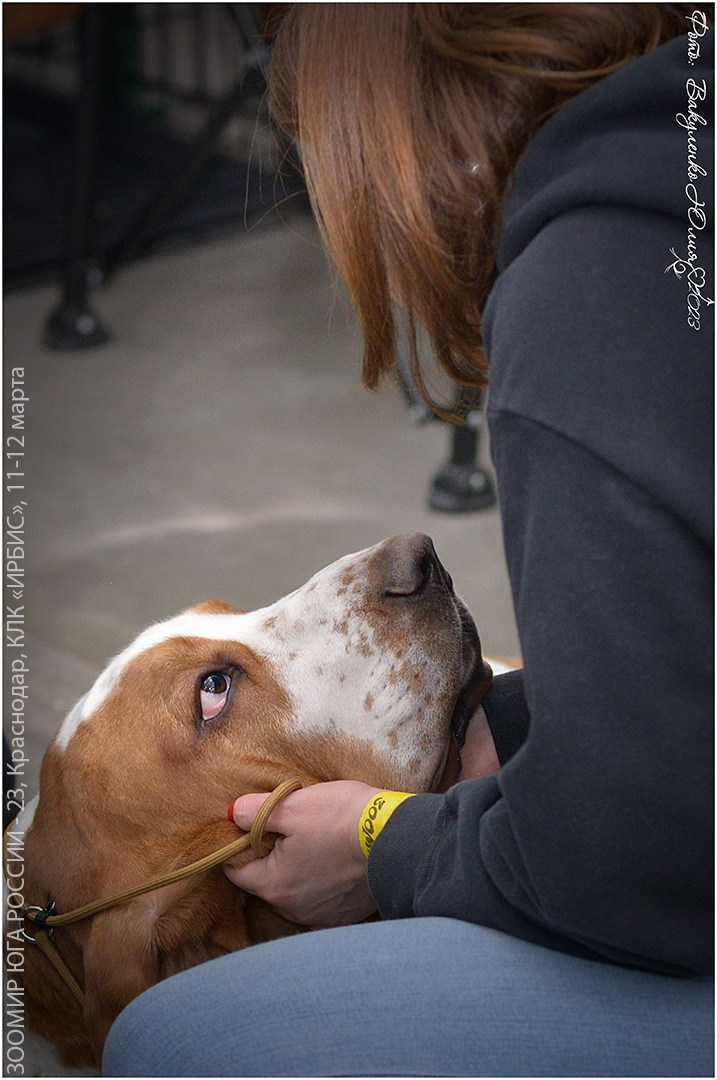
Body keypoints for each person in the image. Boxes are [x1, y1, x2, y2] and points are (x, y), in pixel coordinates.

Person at [103, 5, 713, 1075]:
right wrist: (524, 721)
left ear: (379, 141)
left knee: (175, 1039)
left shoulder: (587, 297)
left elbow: (637, 881)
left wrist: (389, 849)